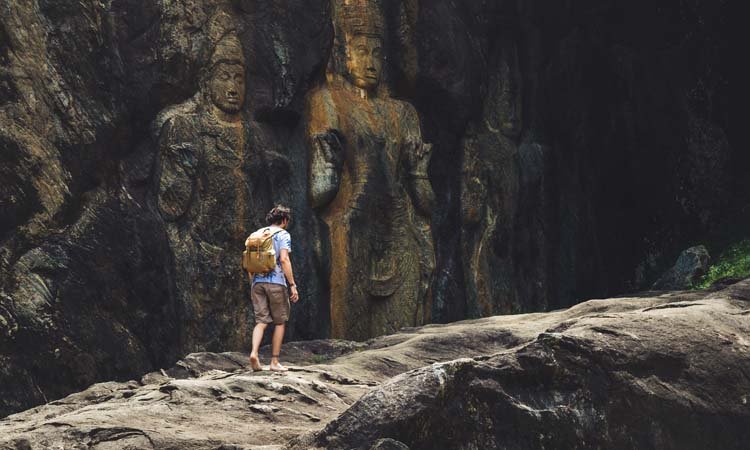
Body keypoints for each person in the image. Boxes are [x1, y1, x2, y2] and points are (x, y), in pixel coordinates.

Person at [248, 205, 299, 372]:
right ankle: (274, 362)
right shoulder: (283, 234)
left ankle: (254, 353)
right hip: (276, 282)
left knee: (261, 321)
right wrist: (292, 284)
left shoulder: (257, 234)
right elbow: (284, 260)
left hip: (257, 282)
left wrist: (253, 283)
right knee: (280, 322)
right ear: (284, 220)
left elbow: (249, 261)